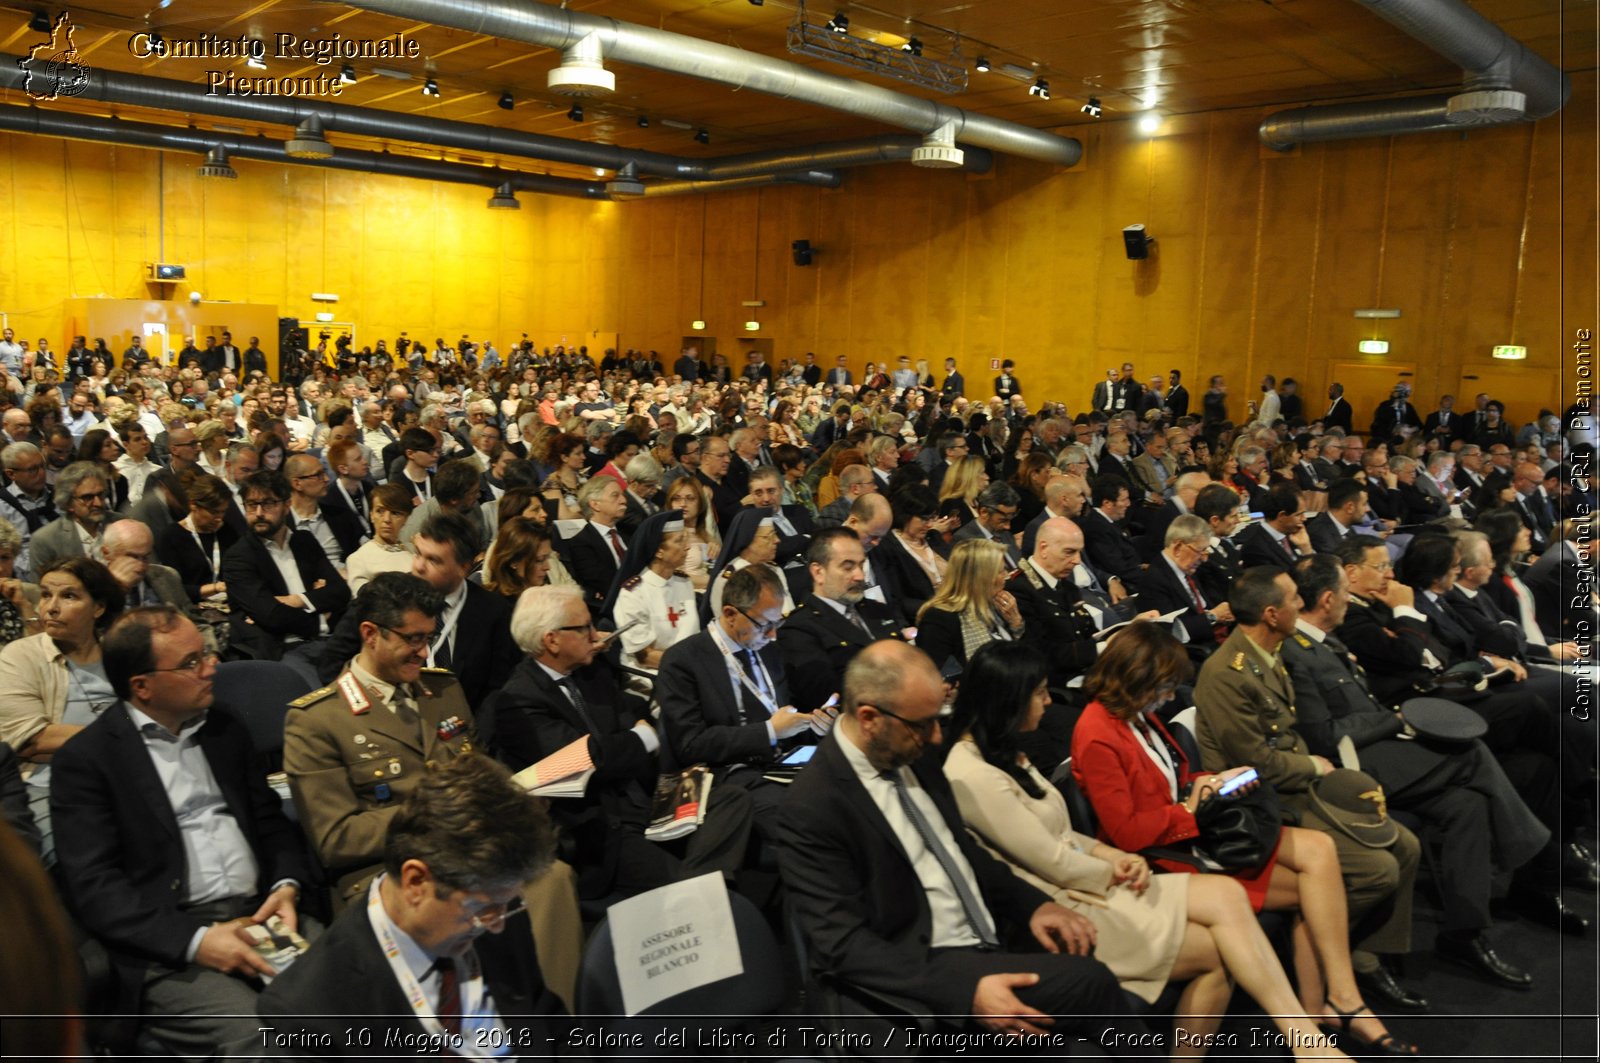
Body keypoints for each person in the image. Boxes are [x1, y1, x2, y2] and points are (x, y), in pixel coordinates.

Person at [948, 641, 1354, 1057]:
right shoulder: (970, 773)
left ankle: (1307, 1037)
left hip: (1090, 878)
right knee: (1220, 952)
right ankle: (1308, 1039)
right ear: (1008, 698)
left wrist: (1114, 858)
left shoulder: (1004, 751)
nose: (1049, 702)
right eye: (1039, 693)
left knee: (1237, 896)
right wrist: (1119, 864)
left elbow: (1064, 835)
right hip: (1064, 905)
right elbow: (1052, 861)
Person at [1072, 622, 1419, 1056]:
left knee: (1320, 850)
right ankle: (1318, 1025)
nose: (1168, 696)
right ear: (1136, 677)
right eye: (1163, 686)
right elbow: (1125, 831)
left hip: (1184, 832)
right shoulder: (1097, 732)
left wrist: (1213, 780)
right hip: (1159, 857)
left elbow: (1172, 780)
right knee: (1307, 887)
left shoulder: (1136, 716)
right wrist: (1191, 808)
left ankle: (1334, 1005)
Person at [779, 638, 1139, 1039]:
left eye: (939, 718)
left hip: (988, 939)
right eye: (922, 724)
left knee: (1094, 953)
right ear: (869, 718)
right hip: (923, 967)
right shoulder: (812, 806)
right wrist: (965, 991)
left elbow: (960, 850)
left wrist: (1033, 905)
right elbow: (842, 945)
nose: (936, 737)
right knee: (1092, 982)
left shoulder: (914, 753)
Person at [282, 572, 583, 1007]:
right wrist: (443, 816)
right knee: (500, 894)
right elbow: (336, 839)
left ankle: (551, 1027)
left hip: (470, 852)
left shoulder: (441, 689)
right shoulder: (317, 720)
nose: (425, 651)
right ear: (370, 634)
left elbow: (474, 768)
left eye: (431, 637)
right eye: (413, 639)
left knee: (551, 877)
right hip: (390, 873)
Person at [51, 607, 311, 1058]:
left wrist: (286, 886)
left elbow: (271, 824)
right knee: (264, 1043)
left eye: (206, 652)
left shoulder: (224, 729)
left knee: (356, 1001)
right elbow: (95, 889)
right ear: (142, 686)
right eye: (192, 662)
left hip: (264, 919)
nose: (212, 667)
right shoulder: (87, 762)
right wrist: (196, 942)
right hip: (169, 948)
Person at [1286, 554, 1553, 988]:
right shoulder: (1299, 652)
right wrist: (1396, 721)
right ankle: (1535, 852)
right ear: (1329, 598)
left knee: (1465, 804)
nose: (1349, 603)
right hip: (1353, 766)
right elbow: (1325, 736)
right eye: (1343, 594)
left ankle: (1465, 933)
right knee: (1469, 753)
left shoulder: (1324, 641)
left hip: (1383, 747)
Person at [1192, 567, 1427, 1025]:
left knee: (1407, 846)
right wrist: (1313, 766)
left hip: (1299, 783)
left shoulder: (1271, 650)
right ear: (1271, 613)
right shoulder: (1227, 672)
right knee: (1377, 869)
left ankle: (1360, 954)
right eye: (1295, 600)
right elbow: (1255, 764)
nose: (1304, 606)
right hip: (1263, 802)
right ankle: (1342, 959)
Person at [259, 755, 568, 1051]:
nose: (497, 924)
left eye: (507, 905)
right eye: (481, 909)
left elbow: (549, 1026)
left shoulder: (497, 907)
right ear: (416, 881)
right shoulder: (309, 1011)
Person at [492, 585, 753, 901]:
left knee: (732, 799)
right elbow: (589, 760)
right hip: (602, 829)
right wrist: (637, 739)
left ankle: (701, 885)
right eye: (585, 627)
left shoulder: (590, 675)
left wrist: (631, 744)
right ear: (552, 639)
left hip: (643, 798)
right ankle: (701, 891)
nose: (597, 635)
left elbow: (630, 735)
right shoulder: (518, 699)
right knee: (682, 885)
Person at [657, 565, 830, 836]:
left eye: (778, 623)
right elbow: (691, 745)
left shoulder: (770, 651)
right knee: (813, 819)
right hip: (728, 777)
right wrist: (769, 731)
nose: (773, 634)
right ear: (730, 614)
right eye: (765, 625)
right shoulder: (683, 661)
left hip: (781, 765)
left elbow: (782, 711)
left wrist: (812, 725)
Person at [318, 511, 516, 713]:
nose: (419, 566)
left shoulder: (494, 612)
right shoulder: (381, 596)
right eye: (418, 553)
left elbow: (497, 689)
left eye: (434, 560)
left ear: (463, 568)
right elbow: (332, 663)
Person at [0, 557, 123, 863]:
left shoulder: (122, 654)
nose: (51, 608)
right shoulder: (20, 656)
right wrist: (126, 738)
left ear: (98, 608)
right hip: (48, 784)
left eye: (68, 596)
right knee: (75, 854)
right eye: (45, 595)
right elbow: (33, 740)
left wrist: (69, 742)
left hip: (126, 776)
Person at [223, 469, 351, 684]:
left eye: (268, 503)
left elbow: (340, 592)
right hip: (285, 648)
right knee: (321, 702)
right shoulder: (238, 557)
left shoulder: (304, 541)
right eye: (251, 505)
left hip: (332, 641)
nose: (259, 513)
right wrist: (320, 616)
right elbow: (271, 615)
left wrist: (295, 600)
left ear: (287, 505)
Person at [605, 510, 700, 670]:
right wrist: (692, 668)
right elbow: (645, 657)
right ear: (659, 551)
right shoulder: (634, 593)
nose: (688, 547)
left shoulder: (683, 582)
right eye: (679, 541)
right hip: (653, 674)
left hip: (688, 669)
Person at [915, 538, 1025, 673]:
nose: (1006, 576)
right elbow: (936, 677)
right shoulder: (939, 619)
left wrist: (1017, 624)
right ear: (980, 577)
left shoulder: (997, 606)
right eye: (1000, 571)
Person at [705, 508, 795, 619]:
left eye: (775, 534)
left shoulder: (775, 570)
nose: (777, 540)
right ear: (747, 540)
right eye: (768, 536)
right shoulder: (730, 579)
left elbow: (788, 610)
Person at [29, 460, 111, 572]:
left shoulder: (123, 524)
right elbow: (41, 587)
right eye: (87, 498)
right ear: (68, 503)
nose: (98, 503)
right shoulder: (46, 540)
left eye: (101, 495)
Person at [343, 482, 416, 594]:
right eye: (380, 511)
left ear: (406, 519)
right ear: (371, 515)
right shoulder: (359, 559)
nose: (386, 519)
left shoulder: (415, 551)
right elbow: (365, 602)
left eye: (395, 513)